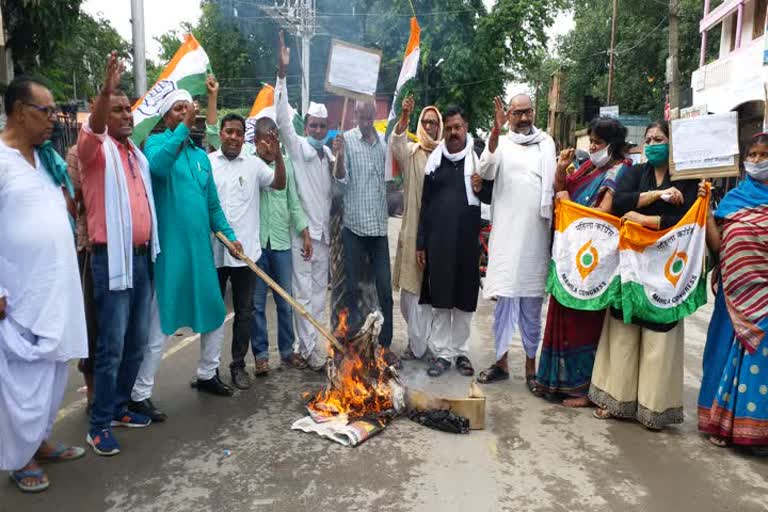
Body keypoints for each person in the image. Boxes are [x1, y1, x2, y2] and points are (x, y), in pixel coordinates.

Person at [129, 83, 243, 421]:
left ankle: (208, 373)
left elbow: (214, 208)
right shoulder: (156, 144)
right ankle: (139, 394)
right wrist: (182, 127)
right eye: (178, 110)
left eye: (187, 110)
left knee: (214, 312)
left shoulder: (200, 158)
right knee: (160, 324)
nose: (186, 115)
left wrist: (231, 236)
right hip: (170, 254)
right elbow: (160, 167)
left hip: (201, 253)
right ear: (166, 117)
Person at [0, 76, 87, 492]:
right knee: (23, 382)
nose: (54, 118)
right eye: (46, 111)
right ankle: (21, 457)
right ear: (20, 111)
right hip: (19, 296)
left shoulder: (45, 161)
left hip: (56, 288)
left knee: (53, 374)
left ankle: (40, 439)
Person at [589, 121, 699, 429]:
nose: (652, 143)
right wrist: (655, 197)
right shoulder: (634, 173)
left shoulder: (687, 179)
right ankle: (615, 400)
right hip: (632, 266)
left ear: (672, 142)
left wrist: (646, 220)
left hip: (667, 270)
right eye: (649, 139)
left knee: (659, 334)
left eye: (659, 138)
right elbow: (618, 205)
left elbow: (687, 219)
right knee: (623, 332)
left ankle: (654, 409)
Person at [78, 52, 160, 455]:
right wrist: (106, 87)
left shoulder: (135, 155)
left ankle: (120, 407)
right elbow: (92, 127)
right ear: (103, 116)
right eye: (117, 109)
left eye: (128, 108)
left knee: (137, 341)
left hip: (142, 259)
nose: (127, 114)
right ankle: (98, 423)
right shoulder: (95, 151)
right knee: (110, 345)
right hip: (111, 260)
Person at [204, 85, 312, 376]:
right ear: (256, 140)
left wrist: (304, 232)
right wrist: (213, 97)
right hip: (242, 247)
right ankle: (259, 356)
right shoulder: (242, 158)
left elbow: (289, 198)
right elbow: (214, 131)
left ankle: (286, 352)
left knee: (284, 301)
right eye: (264, 140)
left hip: (276, 243)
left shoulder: (276, 165)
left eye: (273, 141)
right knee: (253, 307)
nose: (268, 145)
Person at [534, 116, 631, 406]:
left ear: (612, 146)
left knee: (583, 321)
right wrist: (561, 171)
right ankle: (557, 382)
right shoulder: (589, 166)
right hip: (570, 254)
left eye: (598, 143)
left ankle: (583, 389)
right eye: (591, 141)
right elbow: (563, 190)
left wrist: (568, 204)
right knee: (562, 312)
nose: (592, 146)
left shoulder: (619, 171)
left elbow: (603, 212)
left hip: (595, 258)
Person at [475, 94, 557, 393]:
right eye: (517, 113)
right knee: (505, 302)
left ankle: (531, 368)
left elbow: (553, 183)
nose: (523, 118)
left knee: (532, 303)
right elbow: (486, 170)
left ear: (534, 111)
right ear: (508, 115)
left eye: (527, 112)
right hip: (507, 235)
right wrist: (495, 131)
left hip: (536, 234)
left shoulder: (546, 143)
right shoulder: (501, 141)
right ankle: (501, 363)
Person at [275, 31, 341, 370]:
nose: (316, 130)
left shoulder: (330, 153)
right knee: (302, 295)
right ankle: (306, 347)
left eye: (321, 127)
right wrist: (282, 75)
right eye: (313, 125)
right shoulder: (298, 149)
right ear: (307, 126)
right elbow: (283, 119)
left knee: (319, 296)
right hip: (303, 237)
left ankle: (313, 348)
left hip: (325, 239)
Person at [698, 133, 768, 448]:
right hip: (732, 296)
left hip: (764, 298)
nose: (756, 160)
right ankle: (720, 424)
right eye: (751, 154)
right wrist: (705, 208)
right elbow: (718, 246)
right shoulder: (734, 199)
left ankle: (757, 429)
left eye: (763, 155)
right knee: (724, 350)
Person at [208, 109, 286, 389]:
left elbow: (279, 184)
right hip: (214, 254)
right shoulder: (207, 164)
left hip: (246, 256)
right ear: (221, 133)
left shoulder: (254, 165)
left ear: (244, 138)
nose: (233, 137)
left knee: (244, 313)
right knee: (213, 313)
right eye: (229, 131)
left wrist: (277, 156)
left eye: (239, 133)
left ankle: (238, 366)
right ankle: (209, 370)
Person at [417, 106, 488, 377]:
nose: (453, 133)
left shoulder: (478, 160)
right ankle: (443, 354)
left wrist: (483, 184)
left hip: (467, 244)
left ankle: (461, 352)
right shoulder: (435, 163)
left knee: (464, 301)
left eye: (457, 127)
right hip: (439, 243)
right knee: (441, 300)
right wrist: (421, 243)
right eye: (448, 128)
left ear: (466, 127)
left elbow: (490, 196)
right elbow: (426, 204)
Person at [337, 100, 398, 368]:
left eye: (369, 117)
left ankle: (384, 345)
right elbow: (340, 180)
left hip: (378, 229)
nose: (364, 122)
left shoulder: (383, 144)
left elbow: (390, 181)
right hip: (354, 227)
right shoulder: (346, 140)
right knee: (352, 289)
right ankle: (352, 343)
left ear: (375, 116)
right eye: (360, 117)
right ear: (354, 115)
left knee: (384, 288)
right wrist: (338, 155)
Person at [389, 95, 443, 361]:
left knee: (429, 294)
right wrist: (405, 117)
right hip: (412, 232)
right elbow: (395, 143)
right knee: (409, 295)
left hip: (438, 236)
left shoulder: (446, 155)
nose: (430, 127)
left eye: (434, 122)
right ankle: (416, 342)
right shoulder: (412, 153)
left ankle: (423, 346)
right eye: (426, 122)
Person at [66, 129, 98, 414]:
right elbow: (73, 200)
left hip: (123, 252)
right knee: (92, 324)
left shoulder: (126, 151)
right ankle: (92, 393)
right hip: (89, 247)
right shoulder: (77, 153)